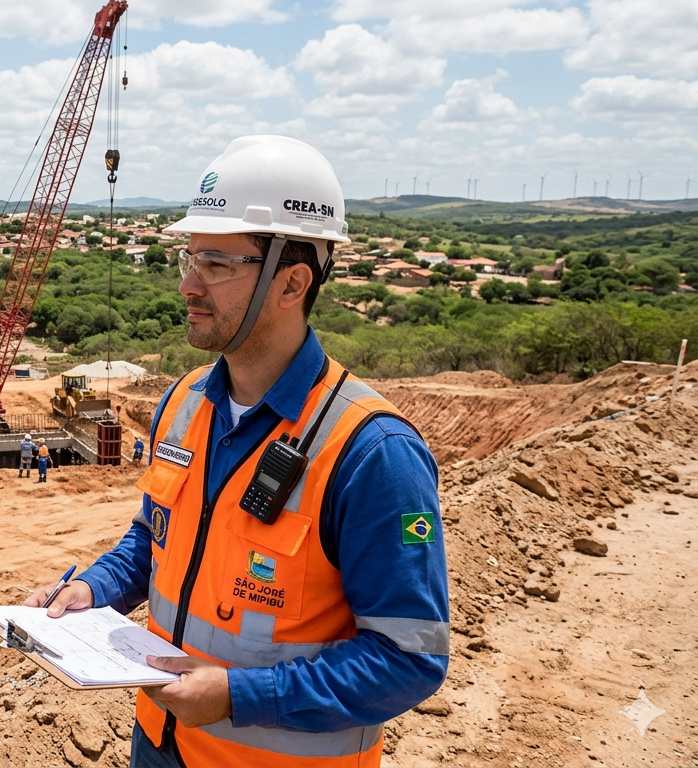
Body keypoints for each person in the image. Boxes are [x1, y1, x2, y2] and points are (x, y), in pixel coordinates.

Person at [25, 135, 449, 768]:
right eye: (188, 258)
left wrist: (238, 695)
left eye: (217, 265)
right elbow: (156, 538)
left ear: (293, 281)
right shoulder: (184, 402)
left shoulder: (371, 453)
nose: (188, 285)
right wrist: (95, 588)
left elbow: (409, 658)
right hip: (161, 743)